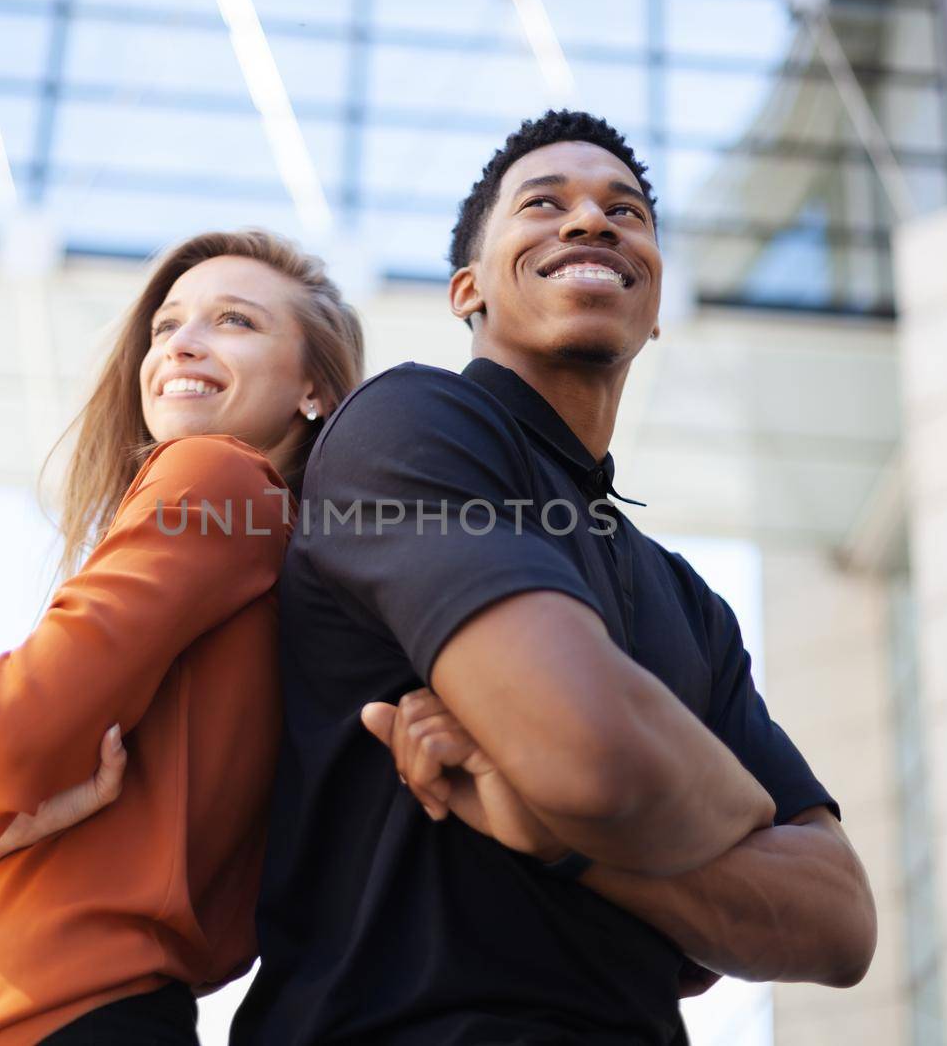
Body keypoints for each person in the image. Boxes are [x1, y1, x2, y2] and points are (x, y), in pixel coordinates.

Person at [229, 110, 877, 1045]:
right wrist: (730, 814)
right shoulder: (409, 426)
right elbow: (594, 752)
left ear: (654, 310)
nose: (589, 222)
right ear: (468, 290)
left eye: (625, 211)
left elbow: (841, 918)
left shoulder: (690, 602)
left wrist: (565, 839)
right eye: (545, 204)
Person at [0, 229, 365, 1046]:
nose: (183, 345)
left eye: (235, 321)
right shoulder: (283, 566)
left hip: (54, 1013)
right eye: (167, 325)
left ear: (313, 387)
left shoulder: (218, 476)